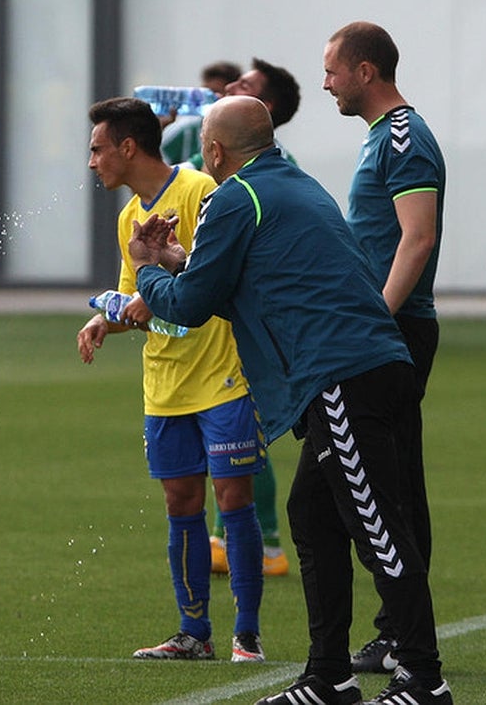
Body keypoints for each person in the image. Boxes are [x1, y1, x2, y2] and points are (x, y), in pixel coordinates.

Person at [128, 95, 451, 704]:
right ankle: (329, 676)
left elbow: (192, 305)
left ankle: (424, 680)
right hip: (365, 367)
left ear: (215, 151)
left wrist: (147, 268)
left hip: (340, 377)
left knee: (378, 529)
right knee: (311, 514)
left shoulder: (233, 197)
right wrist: (176, 259)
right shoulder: (294, 185)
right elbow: (244, 282)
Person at [80, 96, 266, 663]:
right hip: (165, 382)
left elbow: (220, 275)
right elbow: (140, 300)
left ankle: (247, 636)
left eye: (97, 149)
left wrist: (140, 296)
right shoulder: (125, 220)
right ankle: (194, 633)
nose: (91, 162)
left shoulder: (201, 192)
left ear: (127, 147)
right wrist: (105, 320)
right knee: (179, 501)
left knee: (232, 497)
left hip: (223, 377)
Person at [322, 21, 447, 677]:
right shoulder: (384, 138)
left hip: (391, 331)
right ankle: (395, 632)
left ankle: (403, 640)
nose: (326, 83)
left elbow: (416, 237)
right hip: (382, 328)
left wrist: (375, 318)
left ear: (367, 71)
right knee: (388, 479)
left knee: (387, 483)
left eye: (333, 70)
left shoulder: (403, 137)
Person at [208, 54, 304, 578]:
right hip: (233, 312)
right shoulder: (277, 171)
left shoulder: (264, 175)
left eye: (242, 86)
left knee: (244, 427)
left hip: (242, 322)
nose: (227, 88)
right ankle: (236, 535)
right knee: (236, 427)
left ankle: (264, 542)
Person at [159, 60, 241, 169]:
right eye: (203, 92)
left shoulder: (241, 135)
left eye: (214, 93)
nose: (205, 98)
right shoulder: (185, 132)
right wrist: (158, 129)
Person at [224, 56, 301, 165]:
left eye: (244, 86)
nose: (228, 87)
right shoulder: (212, 148)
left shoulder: (280, 166)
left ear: (263, 106)